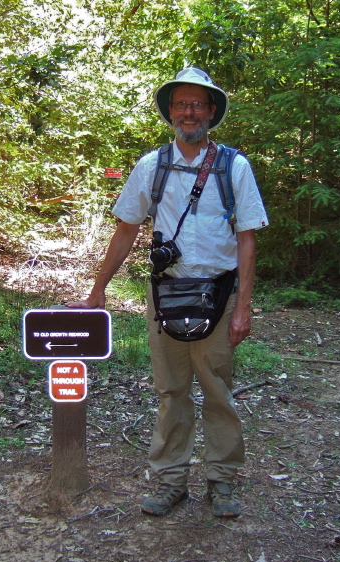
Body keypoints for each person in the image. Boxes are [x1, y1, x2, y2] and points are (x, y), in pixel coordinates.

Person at [68, 66, 269, 518]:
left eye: (199, 103)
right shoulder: (150, 166)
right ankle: (170, 480)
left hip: (216, 296)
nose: (190, 112)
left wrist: (243, 308)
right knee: (170, 392)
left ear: (212, 111)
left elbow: (247, 239)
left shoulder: (234, 166)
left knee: (217, 390)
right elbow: (125, 231)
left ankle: (222, 483)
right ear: (171, 112)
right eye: (181, 104)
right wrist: (97, 291)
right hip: (166, 295)